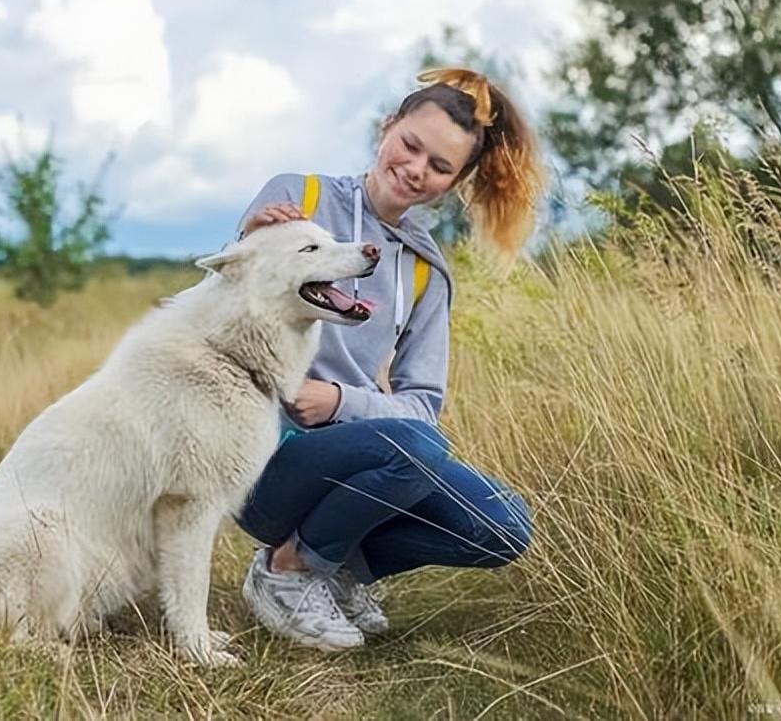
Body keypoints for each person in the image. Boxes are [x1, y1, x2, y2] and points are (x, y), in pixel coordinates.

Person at [233, 67, 546, 651]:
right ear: (387, 127)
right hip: (258, 455)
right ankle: (288, 571)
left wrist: (338, 402)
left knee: (502, 522)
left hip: (348, 444)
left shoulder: (427, 272)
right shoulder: (297, 198)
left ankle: (331, 567)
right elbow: (226, 309)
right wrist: (247, 241)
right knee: (414, 450)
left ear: (453, 183)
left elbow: (421, 408)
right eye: (410, 145)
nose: (415, 169)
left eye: (439, 166)